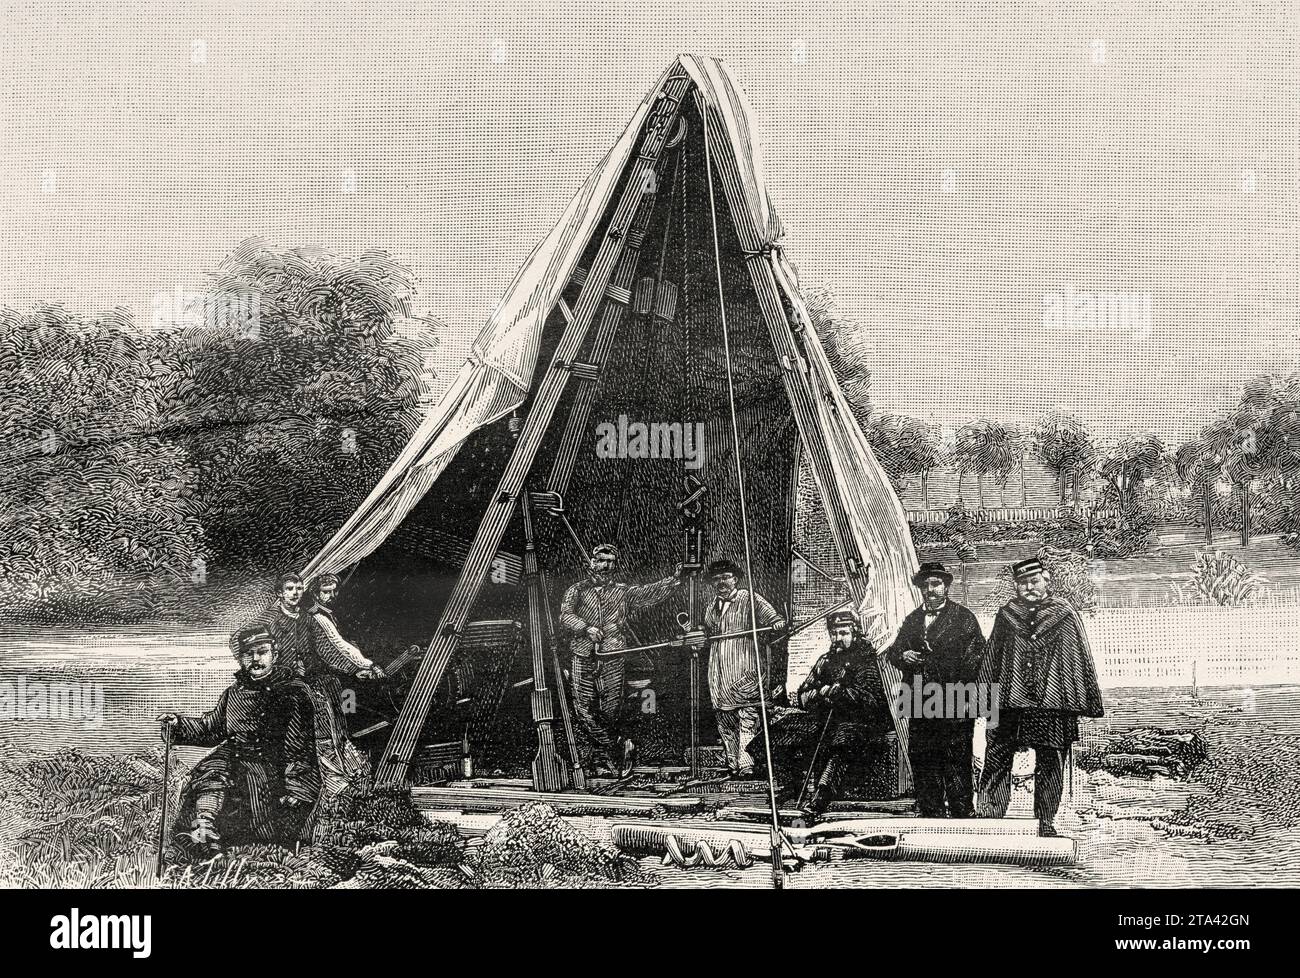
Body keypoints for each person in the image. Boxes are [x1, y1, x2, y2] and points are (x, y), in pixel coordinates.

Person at [158, 625, 320, 857]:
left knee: (262, 833)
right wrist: (178, 725)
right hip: (232, 760)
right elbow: (211, 729)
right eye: (248, 654)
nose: (255, 659)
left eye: (262, 652)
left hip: (268, 770)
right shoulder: (234, 693)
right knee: (210, 771)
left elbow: (300, 747)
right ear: (240, 658)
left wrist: (297, 788)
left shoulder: (294, 693)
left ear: (274, 653)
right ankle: (204, 827)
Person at [977, 558, 1104, 836]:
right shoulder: (1006, 614)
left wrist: (1077, 704)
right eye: (1022, 582)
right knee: (997, 757)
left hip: (1051, 704)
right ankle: (988, 817)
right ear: (1015, 585)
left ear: (1047, 580)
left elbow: (1077, 660)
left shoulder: (1065, 614)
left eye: (1034, 581)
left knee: (1050, 761)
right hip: (1010, 702)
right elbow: (991, 658)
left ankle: (1045, 823)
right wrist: (984, 698)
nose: (1029, 587)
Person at [559, 544, 684, 776]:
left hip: (613, 656)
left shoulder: (622, 592)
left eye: (611, 561)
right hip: (583, 655)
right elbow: (565, 615)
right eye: (602, 560)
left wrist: (674, 580)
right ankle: (616, 744)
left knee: (610, 710)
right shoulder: (575, 590)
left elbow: (648, 593)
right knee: (583, 710)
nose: (606, 566)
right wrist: (585, 627)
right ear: (591, 563)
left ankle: (603, 759)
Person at [884, 561, 986, 817]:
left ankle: (963, 812)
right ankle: (931, 811)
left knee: (956, 756)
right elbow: (893, 652)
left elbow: (976, 659)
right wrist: (903, 654)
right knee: (923, 756)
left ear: (946, 586)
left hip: (954, 698)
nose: (930, 590)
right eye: (925, 585)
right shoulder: (912, 619)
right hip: (919, 698)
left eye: (936, 584)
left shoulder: (964, 618)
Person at [766, 609, 893, 816]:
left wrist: (842, 693)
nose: (837, 639)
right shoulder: (825, 660)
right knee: (780, 730)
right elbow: (803, 693)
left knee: (841, 740)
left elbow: (873, 700)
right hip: (826, 717)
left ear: (855, 632)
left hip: (861, 722)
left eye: (843, 633)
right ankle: (791, 786)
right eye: (834, 634)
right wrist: (817, 694)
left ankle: (822, 794)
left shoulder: (867, 660)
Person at [701, 558, 785, 779]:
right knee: (725, 722)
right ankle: (733, 764)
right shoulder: (712, 607)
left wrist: (776, 621)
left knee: (748, 718)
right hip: (720, 675)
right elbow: (708, 631)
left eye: (726, 577)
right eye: (717, 579)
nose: (721, 582)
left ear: (735, 579)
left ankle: (747, 765)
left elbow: (773, 617)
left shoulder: (748, 598)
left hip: (745, 670)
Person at [301, 573, 379, 793]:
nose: (332, 595)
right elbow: (336, 648)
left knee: (345, 720)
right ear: (316, 593)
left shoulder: (326, 615)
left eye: (334, 591)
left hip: (335, 680)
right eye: (326, 591)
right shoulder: (317, 617)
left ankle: (355, 772)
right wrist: (365, 666)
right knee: (340, 724)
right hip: (325, 682)